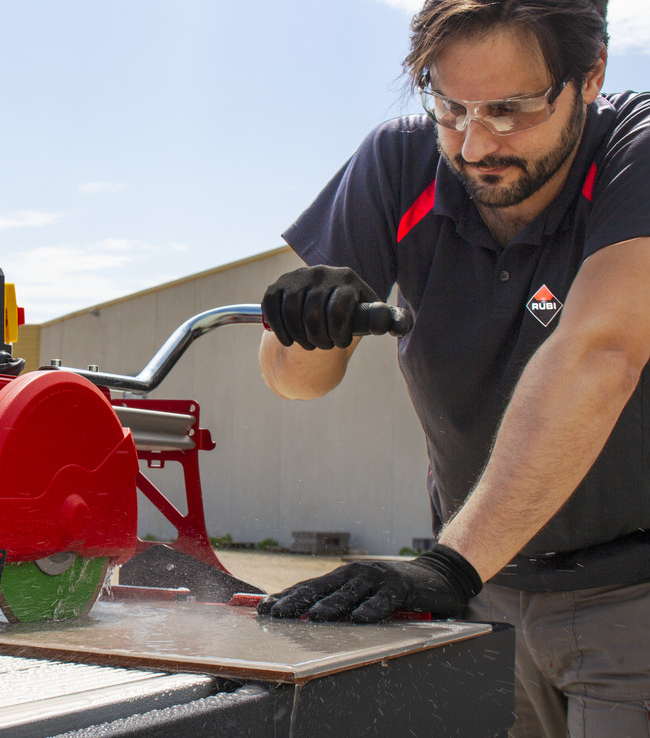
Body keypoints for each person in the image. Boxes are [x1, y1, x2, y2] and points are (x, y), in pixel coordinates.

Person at [256, 0, 650, 735]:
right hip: (484, 594)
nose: (473, 146)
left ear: (590, 75)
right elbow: (293, 381)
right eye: (449, 107)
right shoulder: (397, 162)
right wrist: (305, 326)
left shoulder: (638, 150)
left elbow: (601, 352)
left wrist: (447, 566)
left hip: (632, 597)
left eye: (509, 109)